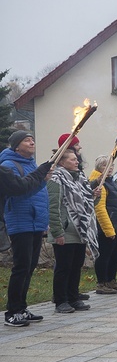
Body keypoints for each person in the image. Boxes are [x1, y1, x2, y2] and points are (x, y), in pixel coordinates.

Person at [1, 131, 51, 327]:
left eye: (32, 139)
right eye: (26, 140)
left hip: (35, 222)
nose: (32, 142)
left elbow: (35, 190)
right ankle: (12, 311)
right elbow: (20, 192)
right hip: (20, 221)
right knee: (21, 267)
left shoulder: (32, 165)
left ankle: (22, 308)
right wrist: (42, 180)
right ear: (16, 146)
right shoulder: (8, 166)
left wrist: (43, 180)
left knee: (29, 267)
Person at [47, 149, 98, 313]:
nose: (77, 162)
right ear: (62, 162)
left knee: (76, 266)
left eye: (76, 159)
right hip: (65, 229)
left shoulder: (80, 179)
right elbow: (53, 206)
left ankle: (73, 298)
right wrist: (57, 231)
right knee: (64, 267)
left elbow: (84, 205)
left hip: (80, 229)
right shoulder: (56, 179)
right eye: (72, 159)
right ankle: (61, 301)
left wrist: (93, 195)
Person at [89, 155, 117, 295]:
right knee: (104, 255)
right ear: (99, 168)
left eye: (111, 166)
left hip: (115, 224)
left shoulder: (110, 181)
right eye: (105, 166)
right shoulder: (99, 183)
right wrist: (108, 230)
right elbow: (99, 208)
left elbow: (115, 202)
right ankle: (102, 282)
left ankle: (111, 279)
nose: (110, 169)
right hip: (105, 226)